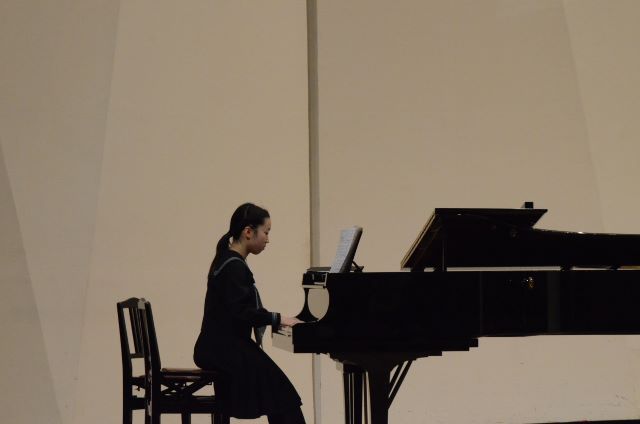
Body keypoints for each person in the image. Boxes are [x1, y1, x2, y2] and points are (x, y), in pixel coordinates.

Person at [194, 202, 305, 424]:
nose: (268, 239)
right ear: (248, 232)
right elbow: (242, 312)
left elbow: (242, 309)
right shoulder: (233, 266)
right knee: (283, 396)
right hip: (224, 349)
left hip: (222, 346)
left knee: (280, 396)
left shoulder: (228, 259)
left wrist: (273, 319)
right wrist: (278, 319)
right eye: (266, 232)